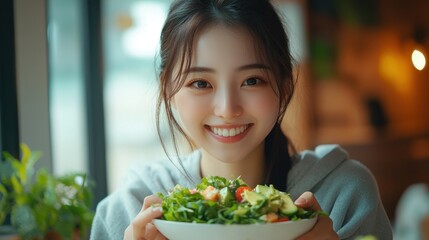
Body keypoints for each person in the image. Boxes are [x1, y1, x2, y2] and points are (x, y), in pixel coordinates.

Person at [90, 0, 393, 239]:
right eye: (200, 83)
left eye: (251, 81)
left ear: (284, 86)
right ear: (168, 88)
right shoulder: (128, 210)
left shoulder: (342, 195)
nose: (227, 109)